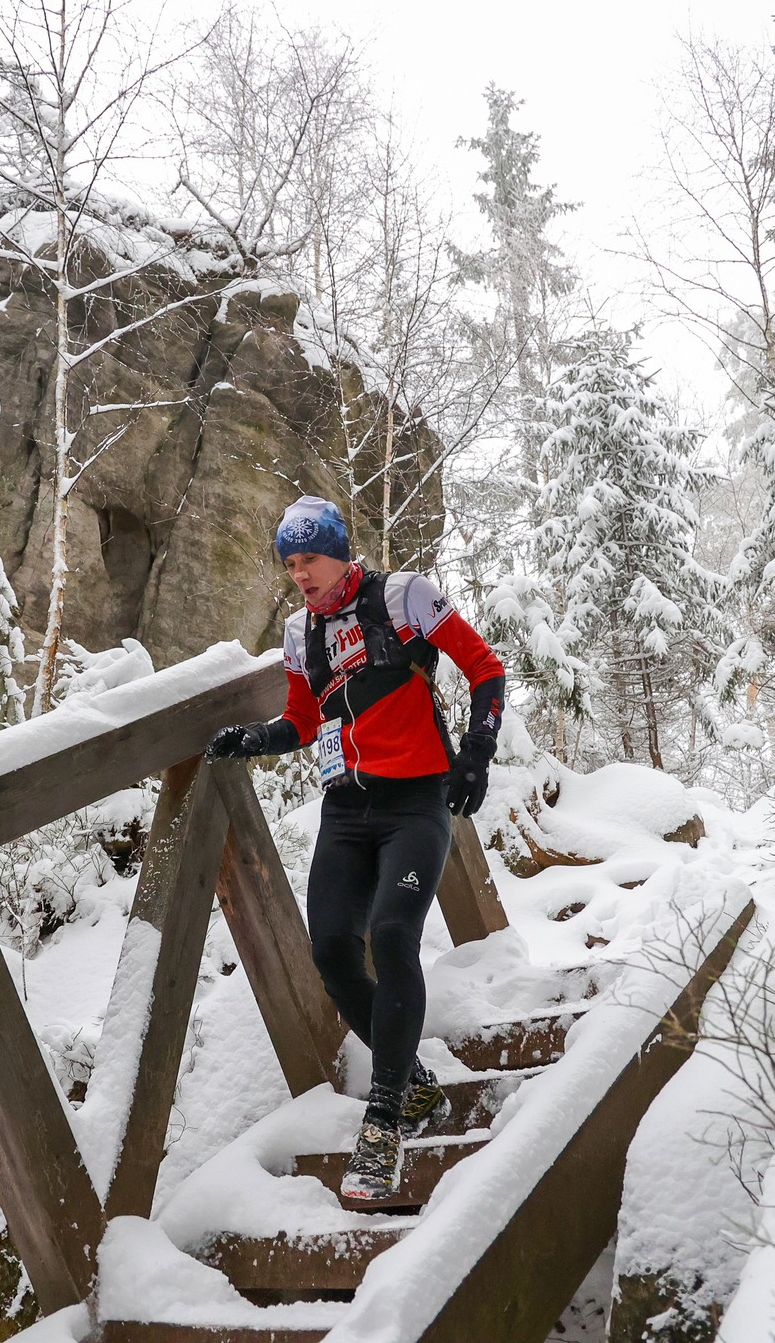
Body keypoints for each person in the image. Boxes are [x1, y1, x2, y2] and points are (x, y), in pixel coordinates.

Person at [206, 495, 505, 1201]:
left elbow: (485, 667)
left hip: (415, 804)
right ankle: (416, 1085)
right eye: (289, 563)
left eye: (307, 558)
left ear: (339, 550)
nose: (298, 573)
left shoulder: (404, 596)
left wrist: (476, 751)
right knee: (333, 952)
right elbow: (304, 720)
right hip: (346, 810)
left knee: (394, 933)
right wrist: (258, 738)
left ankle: (384, 1121)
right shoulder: (297, 632)